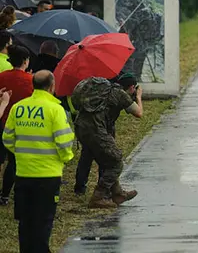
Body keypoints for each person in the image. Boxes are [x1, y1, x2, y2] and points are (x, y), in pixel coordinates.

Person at [2, 70, 74, 253]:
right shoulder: (55, 110)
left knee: (25, 223)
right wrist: (66, 158)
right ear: (52, 87)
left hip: (23, 173)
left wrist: (21, 154)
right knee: (43, 223)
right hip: (48, 175)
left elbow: (7, 138)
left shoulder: (18, 107)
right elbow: (64, 141)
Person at [71, 73, 143, 207]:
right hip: (95, 130)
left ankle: (117, 193)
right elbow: (139, 113)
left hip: (81, 127)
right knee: (116, 161)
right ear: (132, 87)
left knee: (106, 159)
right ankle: (98, 196)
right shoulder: (120, 94)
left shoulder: (104, 91)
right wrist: (138, 97)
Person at [0, 45, 33, 205]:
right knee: (14, 162)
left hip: (1, 121)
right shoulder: (30, 81)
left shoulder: (2, 76)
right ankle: (7, 194)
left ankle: (3, 195)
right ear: (25, 61)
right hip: (19, 125)